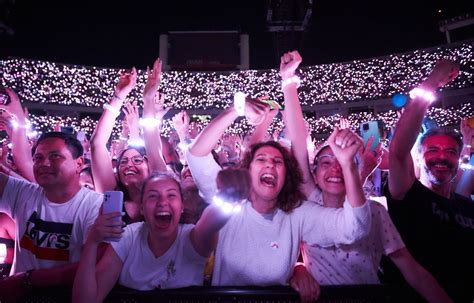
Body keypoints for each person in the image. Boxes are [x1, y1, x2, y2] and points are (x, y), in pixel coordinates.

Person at [185, 76, 372, 302]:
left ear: (287, 176)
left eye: (278, 162)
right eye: (261, 159)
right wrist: (237, 108)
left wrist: (348, 165)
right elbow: (196, 155)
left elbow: (355, 228)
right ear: (248, 170)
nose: (269, 164)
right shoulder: (232, 198)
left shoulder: (298, 213)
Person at [72, 169, 250, 302]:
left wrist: (229, 198)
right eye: (153, 196)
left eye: (171, 195)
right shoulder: (129, 237)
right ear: (142, 207)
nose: (162, 202)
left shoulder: (193, 238)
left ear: (181, 206)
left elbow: (211, 221)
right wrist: (92, 242)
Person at [383, 59, 474, 300]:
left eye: (451, 152)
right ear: (420, 156)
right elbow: (398, 150)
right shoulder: (407, 194)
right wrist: (432, 83)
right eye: (433, 150)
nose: (442, 157)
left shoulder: (466, 206)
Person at [0, 131, 102, 300]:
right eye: (38, 158)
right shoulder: (23, 193)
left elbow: (96, 264)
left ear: (79, 163)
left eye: (55, 156)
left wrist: (28, 280)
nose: (44, 163)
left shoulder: (95, 206)